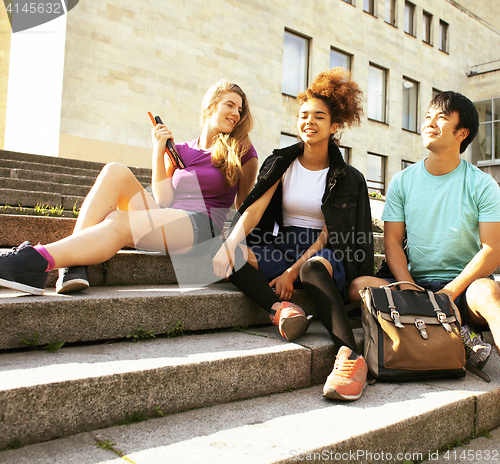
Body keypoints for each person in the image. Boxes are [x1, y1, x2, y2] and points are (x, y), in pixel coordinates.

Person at [0, 80, 258, 295]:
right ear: (211, 106)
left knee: (119, 221)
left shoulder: (242, 151)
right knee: (115, 170)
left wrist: (235, 244)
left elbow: (245, 205)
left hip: (203, 226)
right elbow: (164, 198)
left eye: (240, 109)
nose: (236, 113)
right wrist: (159, 152)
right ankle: (73, 268)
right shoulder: (180, 150)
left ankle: (31, 260)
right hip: (171, 216)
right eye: (230, 105)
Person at [212, 68, 374, 401]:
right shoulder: (282, 163)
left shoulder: (347, 177)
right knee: (231, 253)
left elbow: (330, 235)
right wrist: (229, 243)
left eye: (319, 116)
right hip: (283, 245)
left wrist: (292, 271)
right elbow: (254, 210)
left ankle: (350, 355)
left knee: (312, 268)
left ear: (334, 126)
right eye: (303, 115)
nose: (308, 121)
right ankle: (280, 310)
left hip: (324, 256)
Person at [349, 91, 500, 370]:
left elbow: (493, 250)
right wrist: (406, 285)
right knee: (359, 287)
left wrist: (450, 292)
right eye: (427, 116)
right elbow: (392, 241)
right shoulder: (402, 182)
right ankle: (458, 334)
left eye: (441, 117)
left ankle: (455, 326)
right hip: (415, 287)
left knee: (488, 292)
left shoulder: (483, 185)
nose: (429, 122)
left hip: (463, 288)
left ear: (462, 133)